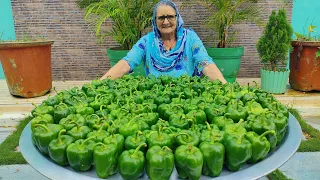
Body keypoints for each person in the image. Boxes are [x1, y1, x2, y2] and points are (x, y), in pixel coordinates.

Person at [100, 0, 227, 84]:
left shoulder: (190, 38)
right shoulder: (147, 42)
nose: (166, 22)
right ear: (154, 20)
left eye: (170, 16)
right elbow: (126, 64)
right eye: (161, 18)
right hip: (155, 99)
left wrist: (225, 87)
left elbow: (206, 63)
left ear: (177, 18)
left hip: (188, 100)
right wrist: (100, 83)